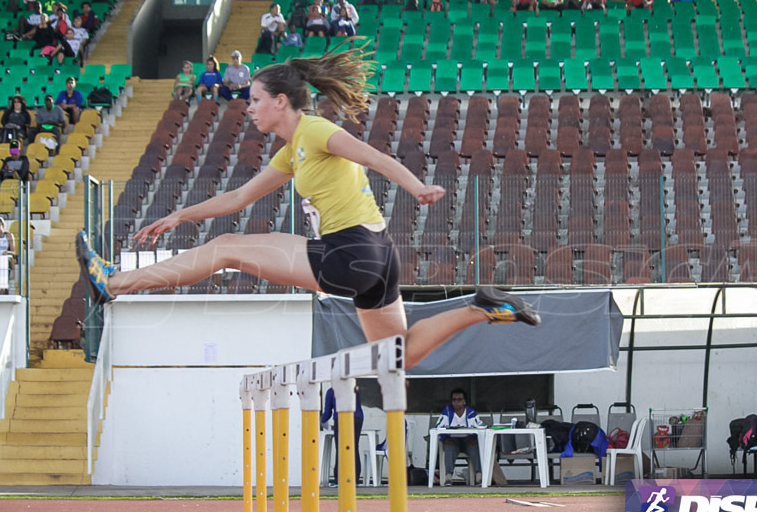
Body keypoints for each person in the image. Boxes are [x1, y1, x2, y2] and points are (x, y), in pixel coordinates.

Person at [75, 48, 541, 378]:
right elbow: (239, 198)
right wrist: (181, 216)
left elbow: (372, 156)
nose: (249, 107)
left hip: (350, 250)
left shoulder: (315, 130)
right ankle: (484, 310)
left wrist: (418, 188)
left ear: (281, 101)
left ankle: (111, 284)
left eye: (255, 99)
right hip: (376, 255)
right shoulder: (292, 151)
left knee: (226, 250)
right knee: (397, 356)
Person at [436, 389, 484, 486]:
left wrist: (474, 437)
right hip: (452, 439)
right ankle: (448, 477)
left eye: (459, 399)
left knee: (474, 447)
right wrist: (445, 437)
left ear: (464, 401)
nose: (456, 402)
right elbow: (438, 427)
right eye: (454, 400)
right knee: (449, 447)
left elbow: (480, 427)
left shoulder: (471, 413)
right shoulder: (447, 412)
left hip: (468, 439)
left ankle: (479, 476)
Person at [321, 386, 364, 486]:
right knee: (354, 447)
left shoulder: (331, 391)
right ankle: (356, 479)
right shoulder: (352, 388)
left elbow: (328, 412)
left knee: (340, 448)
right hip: (357, 417)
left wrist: (321, 420)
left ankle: (339, 478)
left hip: (341, 417)